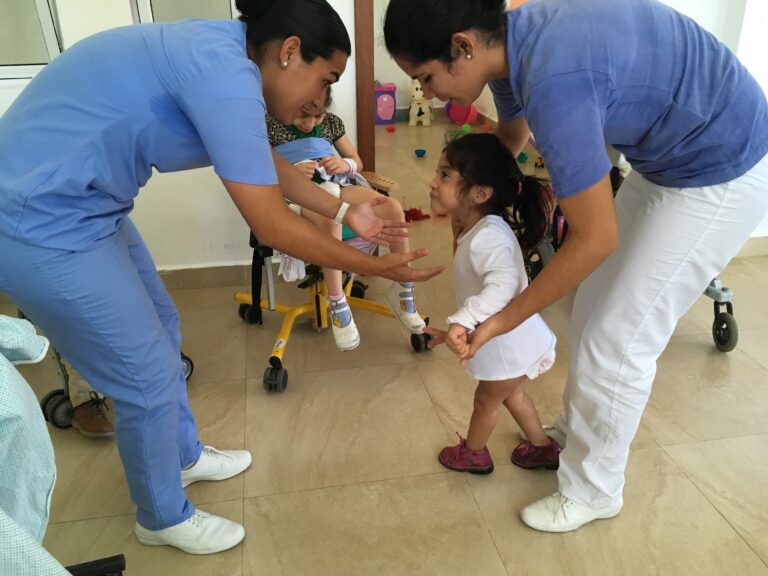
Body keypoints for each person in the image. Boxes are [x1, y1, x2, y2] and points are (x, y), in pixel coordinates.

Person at [0, 0, 442, 556]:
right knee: (146, 376)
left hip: (85, 208)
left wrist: (344, 212)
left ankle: (180, 457)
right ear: (288, 52)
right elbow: (273, 224)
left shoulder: (224, 56)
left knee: (162, 323)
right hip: (37, 220)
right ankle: (160, 516)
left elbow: (260, 161)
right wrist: (374, 265)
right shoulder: (223, 72)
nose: (318, 98)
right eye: (324, 78)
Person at [384, 0, 768, 532]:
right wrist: (464, 203)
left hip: (720, 166)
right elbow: (509, 145)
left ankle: (594, 491)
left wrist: (500, 320)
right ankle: (577, 433)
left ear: (462, 47)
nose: (424, 93)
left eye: (425, 77)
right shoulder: (512, 46)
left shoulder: (554, 82)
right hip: (667, 161)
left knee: (620, 337)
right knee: (594, 303)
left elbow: (594, 238)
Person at [424, 134, 560, 475]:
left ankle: (474, 454)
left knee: (486, 400)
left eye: (444, 176)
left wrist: (462, 321)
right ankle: (542, 447)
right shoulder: (479, 227)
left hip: (506, 343)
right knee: (513, 395)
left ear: (480, 193)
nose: (433, 182)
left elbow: (504, 287)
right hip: (513, 339)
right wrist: (461, 326)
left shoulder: (488, 237)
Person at [266, 90, 426, 350]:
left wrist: (345, 166)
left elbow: (357, 161)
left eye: (317, 116)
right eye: (303, 117)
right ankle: (337, 302)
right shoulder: (270, 122)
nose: (310, 124)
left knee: (392, 208)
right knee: (333, 215)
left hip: (334, 184)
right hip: (297, 195)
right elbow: (256, 168)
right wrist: (289, 173)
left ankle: (403, 290)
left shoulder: (331, 123)